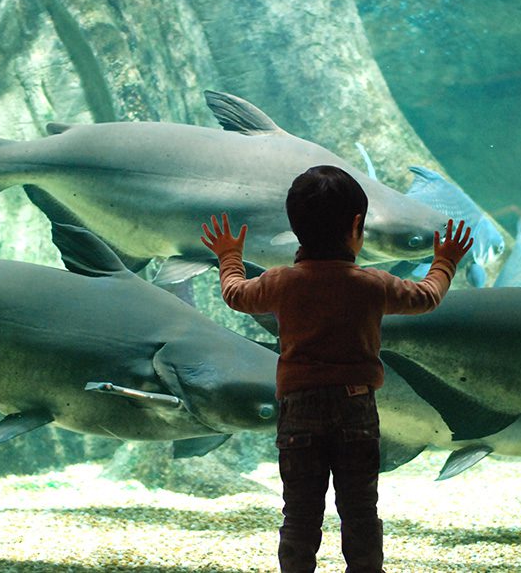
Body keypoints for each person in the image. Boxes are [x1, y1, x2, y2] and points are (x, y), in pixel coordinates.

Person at [200, 164, 473, 573]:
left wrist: (229, 257)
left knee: (300, 515)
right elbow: (427, 297)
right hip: (356, 411)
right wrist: (445, 261)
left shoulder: (281, 282)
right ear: (357, 227)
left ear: (295, 229)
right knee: (360, 513)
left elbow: (236, 295)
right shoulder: (373, 284)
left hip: (299, 413)